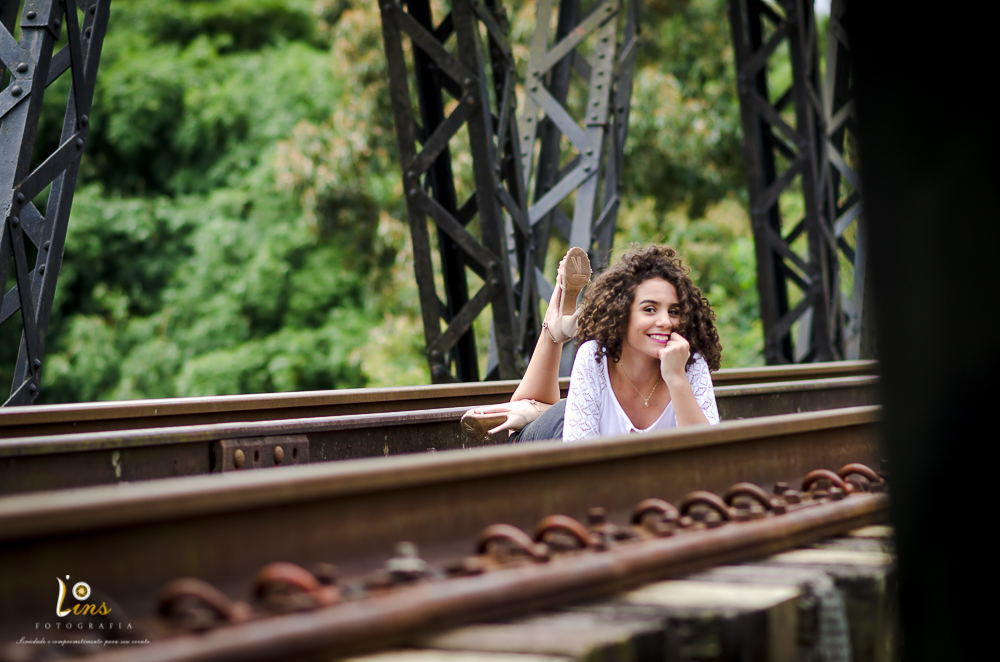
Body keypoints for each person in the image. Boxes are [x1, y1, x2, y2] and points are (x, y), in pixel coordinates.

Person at [461, 245, 721, 442]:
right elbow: (579, 461)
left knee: (569, 409)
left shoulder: (689, 363)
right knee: (563, 418)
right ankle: (551, 338)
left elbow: (710, 456)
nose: (665, 321)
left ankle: (552, 344)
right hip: (549, 460)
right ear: (622, 313)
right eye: (649, 309)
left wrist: (676, 378)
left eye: (674, 311)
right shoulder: (595, 357)